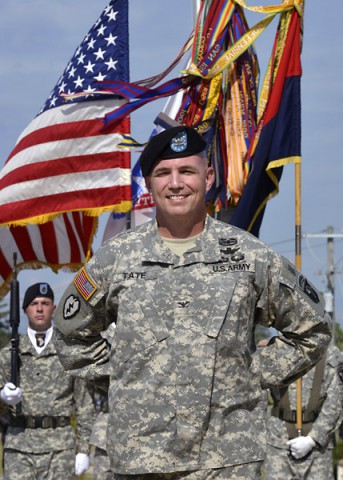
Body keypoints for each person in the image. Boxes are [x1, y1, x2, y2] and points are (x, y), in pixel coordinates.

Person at [54, 125, 331, 480]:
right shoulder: (117, 258)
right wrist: (124, 375)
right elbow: (71, 335)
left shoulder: (249, 256)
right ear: (150, 183)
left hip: (226, 455)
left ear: (208, 175)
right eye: (163, 173)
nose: (175, 183)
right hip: (141, 454)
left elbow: (312, 328)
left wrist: (252, 372)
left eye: (187, 171)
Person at [0, 282, 95, 480]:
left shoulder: (68, 352)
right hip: (19, 448)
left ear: (54, 309)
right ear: (25, 310)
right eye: (34, 303)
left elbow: (84, 405)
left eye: (45, 302)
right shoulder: (7, 356)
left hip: (60, 449)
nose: (40, 308)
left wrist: (84, 450)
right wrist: (2, 398)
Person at [264, 342, 343, 479]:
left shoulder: (331, 355)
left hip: (319, 448)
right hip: (279, 444)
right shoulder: (274, 350)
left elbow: (335, 402)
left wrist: (313, 439)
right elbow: (259, 396)